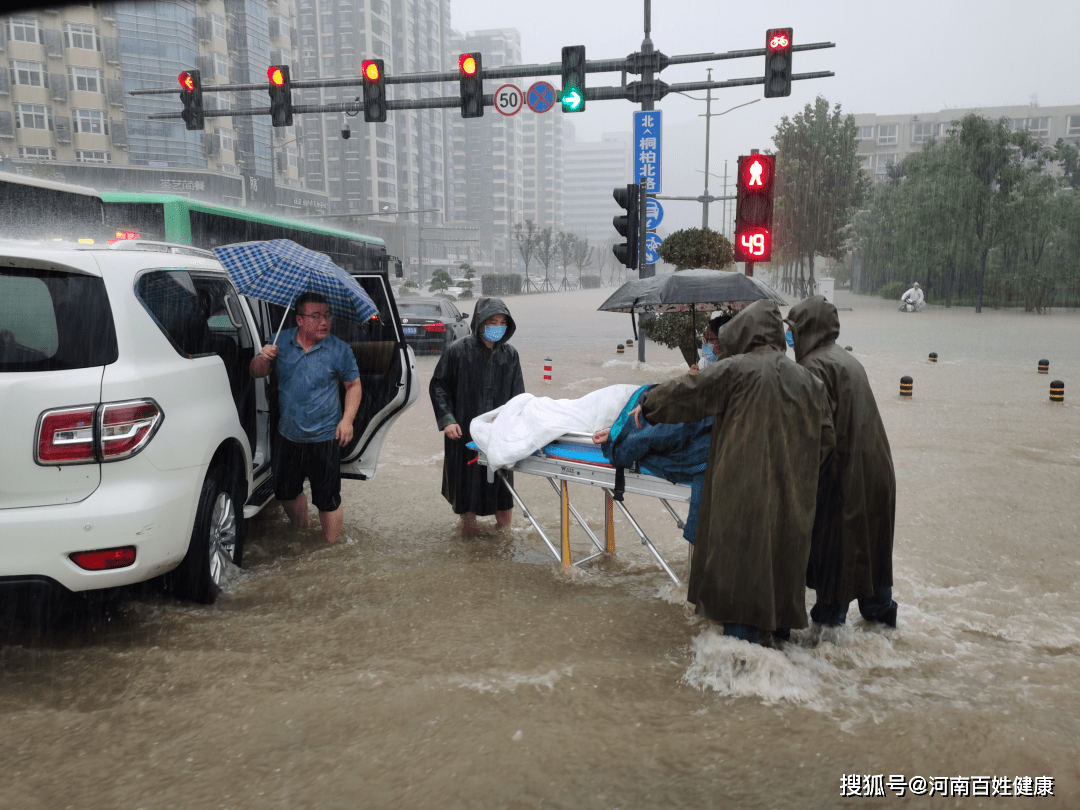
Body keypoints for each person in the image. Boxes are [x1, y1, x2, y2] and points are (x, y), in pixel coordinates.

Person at [632, 299, 835, 647]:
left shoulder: (737, 370)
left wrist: (649, 406)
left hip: (740, 498)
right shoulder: (810, 381)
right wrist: (795, 472)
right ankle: (778, 656)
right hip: (792, 501)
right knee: (779, 577)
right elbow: (826, 439)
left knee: (739, 591)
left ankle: (739, 670)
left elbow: (689, 393)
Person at [786, 296, 899, 630]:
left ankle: (828, 641)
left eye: (794, 330)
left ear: (807, 328)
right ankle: (883, 633)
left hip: (843, 479)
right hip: (877, 474)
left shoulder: (812, 367)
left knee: (834, 562)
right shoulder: (847, 360)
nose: (791, 339)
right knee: (874, 555)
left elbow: (819, 437)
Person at [250, 291, 362, 544]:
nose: (324, 321)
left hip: (324, 435)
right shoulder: (280, 342)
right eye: (316, 316)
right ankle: (301, 531)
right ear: (299, 320)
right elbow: (257, 373)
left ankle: (330, 549)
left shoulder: (339, 349)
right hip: (288, 434)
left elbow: (353, 386)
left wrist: (347, 420)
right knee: (287, 492)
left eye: (326, 315)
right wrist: (261, 356)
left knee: (328, 499)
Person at [430, 297, 525, 536]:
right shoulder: (457, 351)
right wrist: (448, 420)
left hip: (498, 434)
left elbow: (519, 397)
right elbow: (439, 386)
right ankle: (468, 534)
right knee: (466, 488)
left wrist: (513, 425)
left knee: (502, 492)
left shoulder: (510, 355)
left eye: (503, 322)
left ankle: (504, 538)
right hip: (464, 431)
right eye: (492, 321)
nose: (497, 326)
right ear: (479, 322)